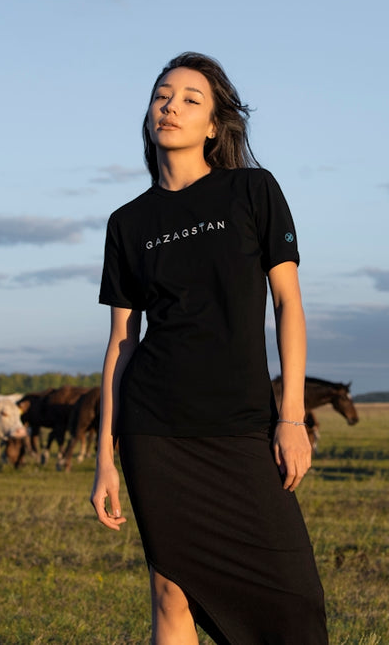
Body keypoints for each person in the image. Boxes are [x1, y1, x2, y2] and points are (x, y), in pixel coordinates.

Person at [90, 52, 328, 644]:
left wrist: (291, 416)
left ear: (215, 125)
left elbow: (288, 305)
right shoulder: (128, 222)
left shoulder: (252, 190)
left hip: (242, 425)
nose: (171, 106)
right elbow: (122, 343)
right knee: (172, 593)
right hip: (155, 429)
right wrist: (104, 459)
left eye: (191, 99)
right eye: (162, 96)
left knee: (297, 603)